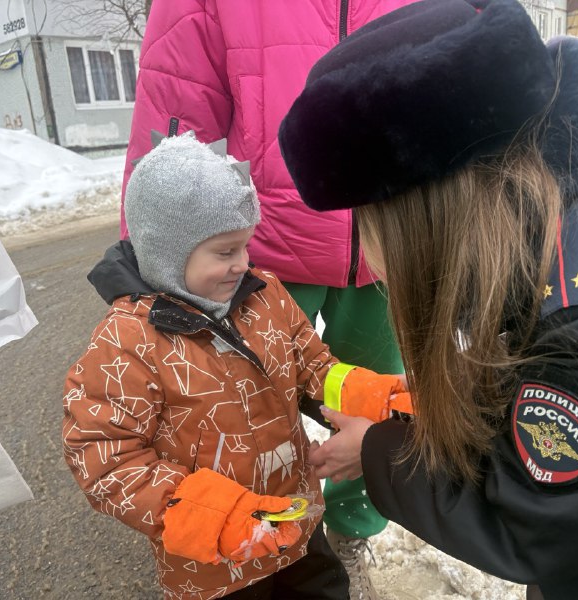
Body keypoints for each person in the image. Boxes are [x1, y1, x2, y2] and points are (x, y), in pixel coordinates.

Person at [277, 0, 578, 598]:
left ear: (425, 216)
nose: (372, 251)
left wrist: (379, 452)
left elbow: (532, 520)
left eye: (369, 220)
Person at [119, 3, 421, 597]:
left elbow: (324, 375)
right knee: (227, 402)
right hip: (273, 244)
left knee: (367, 393)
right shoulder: (134, 344)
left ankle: (346, 527)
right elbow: (179, 88)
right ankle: (226, 520)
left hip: (393, 236)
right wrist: (154, 251)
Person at [62, 133, 409, 599]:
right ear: (167, 250)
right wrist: (214, 518)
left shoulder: (264, 295)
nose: (241, 265)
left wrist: (376, 397)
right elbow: (107, 459)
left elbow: (317, 368)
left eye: (245, 247)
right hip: (212, 563)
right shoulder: (127, 341)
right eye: (225, 252)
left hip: (295, 524)